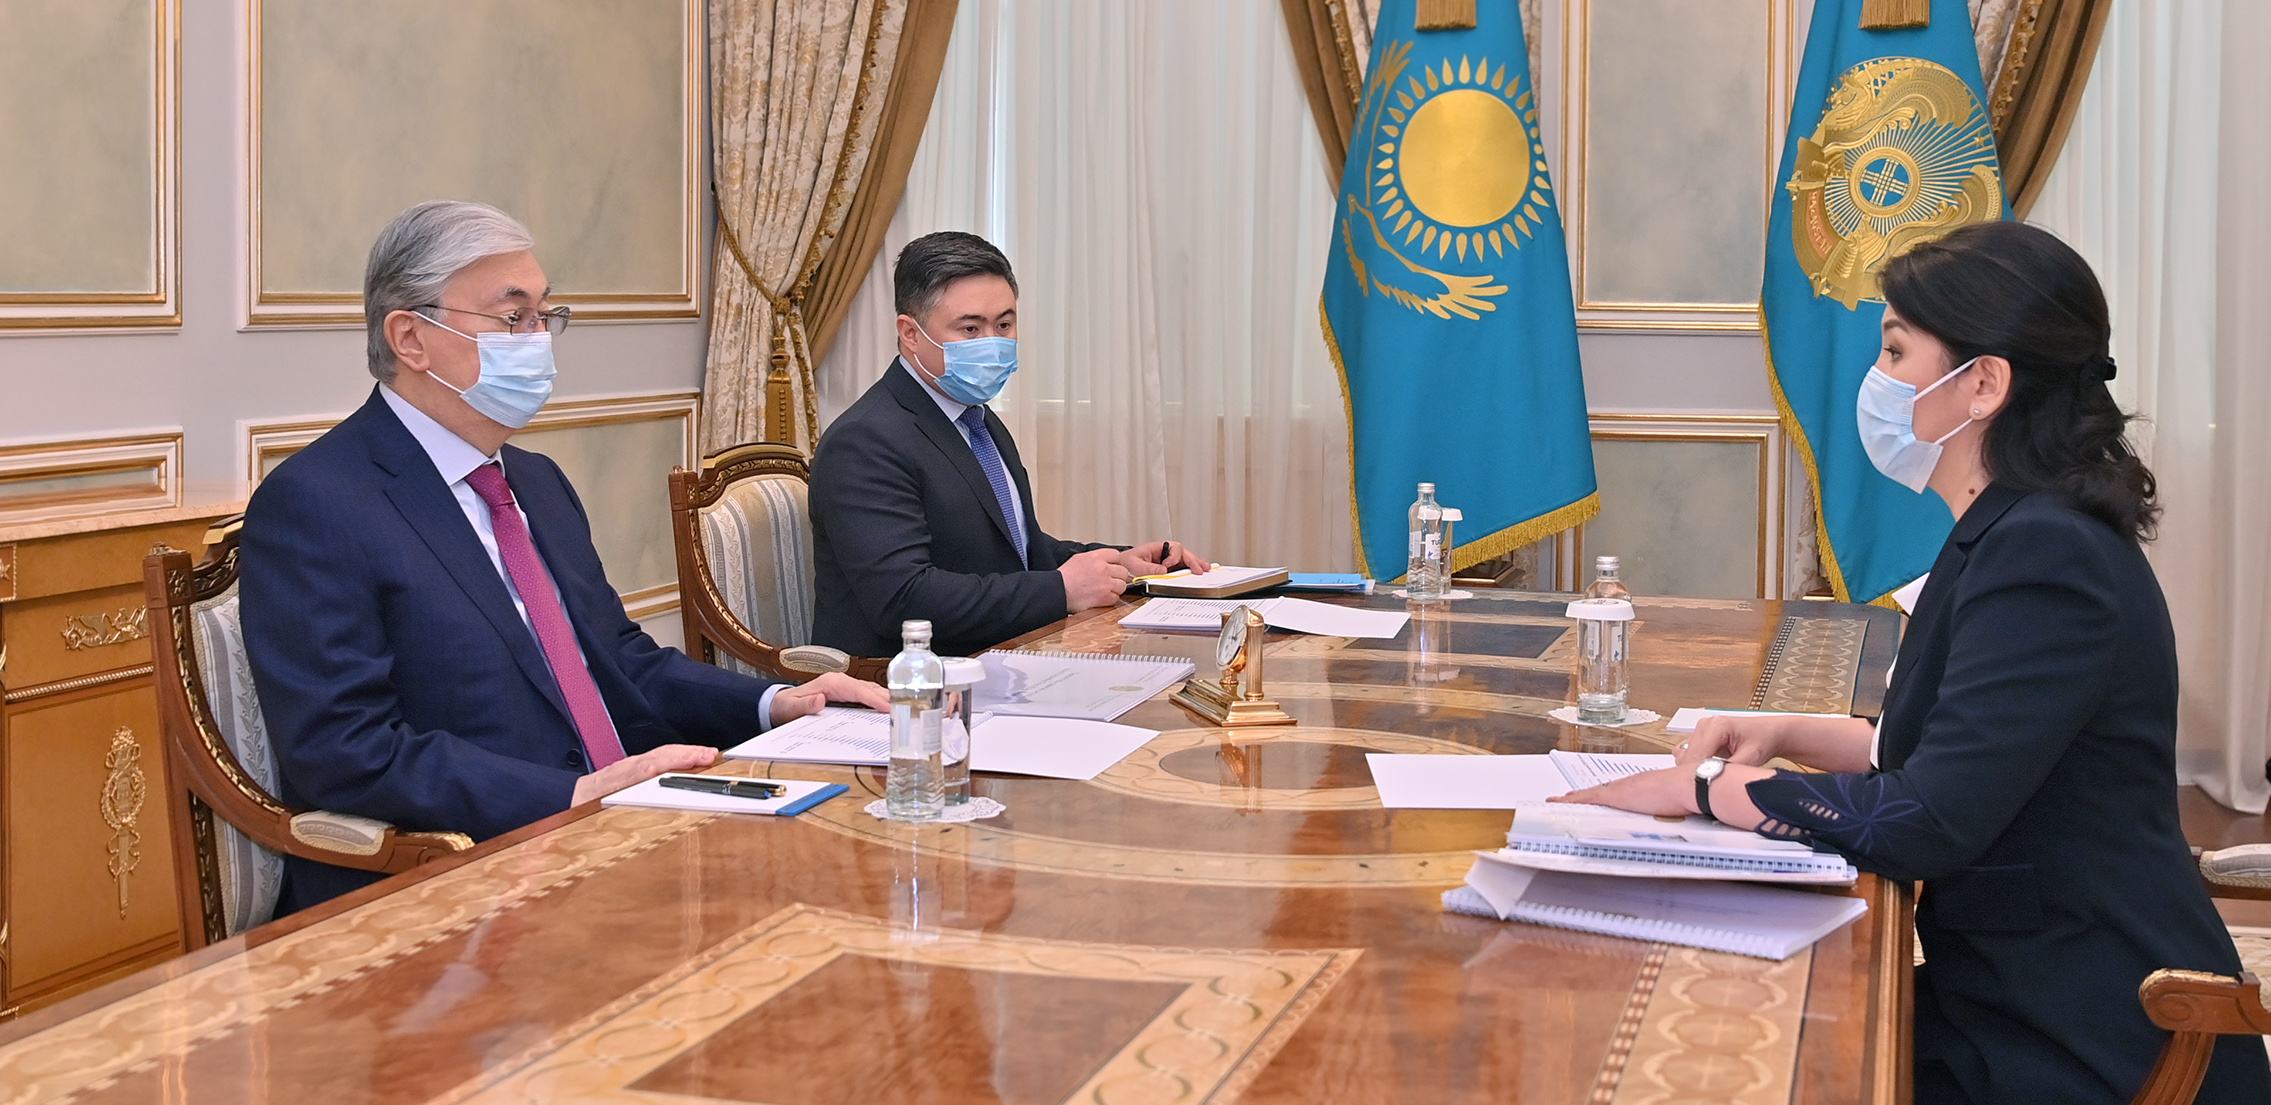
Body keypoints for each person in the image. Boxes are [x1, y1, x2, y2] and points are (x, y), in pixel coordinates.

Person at [1556, 221, 2271, 1104]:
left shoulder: (2047, 553)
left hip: (2088, 1032)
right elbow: (1950, 743)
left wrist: (1699, 791)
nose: (1877, 377)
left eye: (1895, 351)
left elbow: (1925, 820)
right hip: (2013, 986)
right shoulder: (2013, 527)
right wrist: (1783, 731)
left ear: (1984, 383)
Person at [241, 201, 887, 914]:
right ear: (411, 338)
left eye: (545, 315)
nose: (539, 340)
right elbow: (344, 749)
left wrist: (778, 703)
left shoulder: (536, 481)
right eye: (513, 317)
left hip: (621, 834)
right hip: (459, 875)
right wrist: (572, 794)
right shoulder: (317, 501)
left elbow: (620, 659)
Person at [808, 231, 1209, 658]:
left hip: (1002, 659)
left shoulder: (975, 418)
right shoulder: (864, 441)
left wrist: (1118, 563)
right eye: (970, 328)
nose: (993, 343)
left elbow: (1015, 552)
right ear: (910, 333)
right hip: (904, 682)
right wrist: (1062, 589)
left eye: (1003, 325)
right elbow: (903, 599)